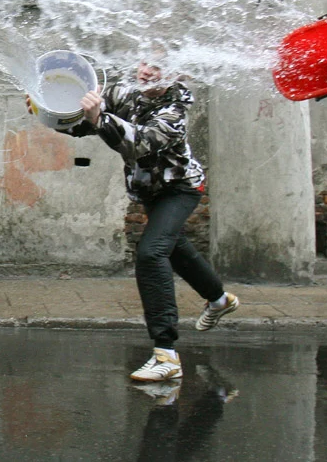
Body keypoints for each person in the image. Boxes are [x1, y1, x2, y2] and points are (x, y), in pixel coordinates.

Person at [29, 57, 239, 382]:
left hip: (180, 189)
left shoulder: (174, 116)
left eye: (157, 68)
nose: (146, 71)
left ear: (172, 76)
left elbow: (138, 143)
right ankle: (220, 299)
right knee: (176, 249)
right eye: (144, 63)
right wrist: (48, 111)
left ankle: (165, 354)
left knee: (151, 253)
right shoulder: (127, 94)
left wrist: (99, 117)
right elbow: (84, 120)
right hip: (152, 192)